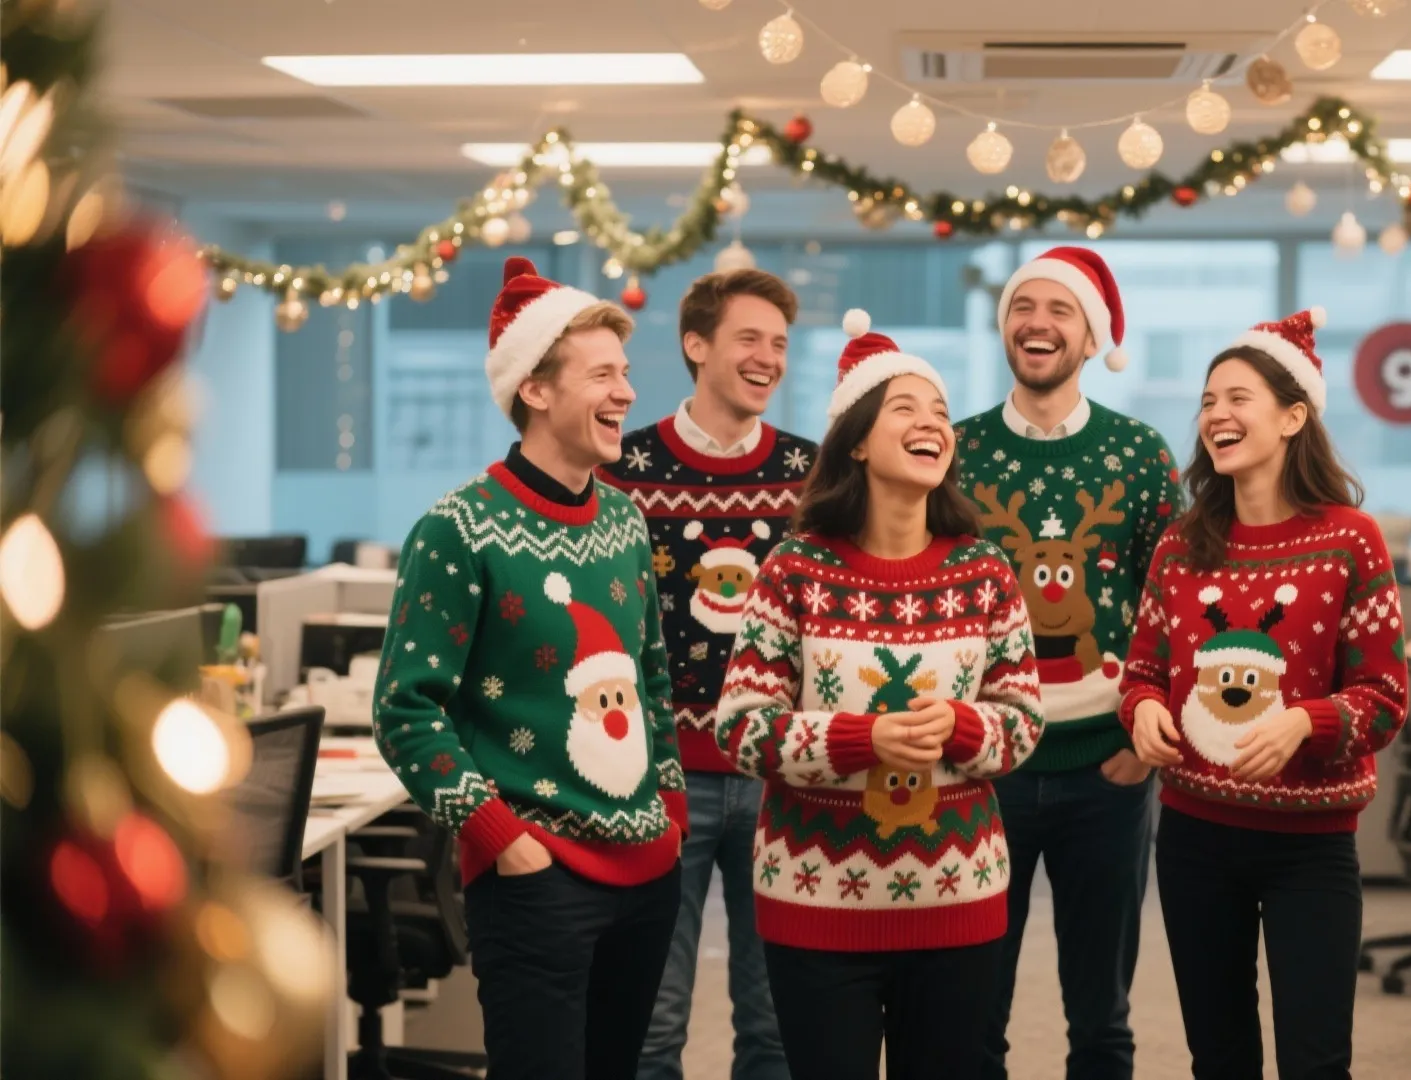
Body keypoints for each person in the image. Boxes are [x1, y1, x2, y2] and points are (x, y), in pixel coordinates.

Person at [372, 257, 685, 1080]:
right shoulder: (458, 530)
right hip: (535, 875)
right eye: (603, 376)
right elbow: (407, 710)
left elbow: (651, 679)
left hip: (647, 868)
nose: (626, 394)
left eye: (626, 374)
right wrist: (500, 840)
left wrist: (674, 807)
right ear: (536, 391)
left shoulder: (623, 519)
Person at [713, 310, 1046, 1080]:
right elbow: (742, 729)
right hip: (815, 903)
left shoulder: (983, 571)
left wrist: (963, 729)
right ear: (858, 440)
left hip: (958, 899)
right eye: (906, 408)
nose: (933, 423)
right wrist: (860, 742)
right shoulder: (794, 571)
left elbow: (1024, 723)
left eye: (940, 413)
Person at [1120, 310, 1408, 1080]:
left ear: (1292, 415)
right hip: (1192, 839)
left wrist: (1306, 725)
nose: (1217, 414)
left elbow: (1384, 698)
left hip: (1310, 848)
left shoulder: (1351, 539)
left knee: (1316, 1060)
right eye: (1209, 401)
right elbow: (1143, 672)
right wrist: (1143, 709)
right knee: (1217, 1057)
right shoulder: (1181, 544)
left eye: (1238, 397)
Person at [952, 246, 1180, 1080]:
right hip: (982, 769)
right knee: (973, 1005)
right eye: (1024, 307)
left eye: (1060, 312)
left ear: (1092, 339)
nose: (1037, 324)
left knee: (1103, 1017)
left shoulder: (1139, 453)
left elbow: (1175, 603)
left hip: (1106, 773)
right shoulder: (954, 450)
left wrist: (1143, 737)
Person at [598, 268, 813, 1080]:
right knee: (651, 1023)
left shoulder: (812, 472)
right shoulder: (624, 466)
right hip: (660, 781)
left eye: (780, 344)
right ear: (696, 346)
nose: (768, 359)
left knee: (778, 1025)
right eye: (749, 339)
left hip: (778, 778)